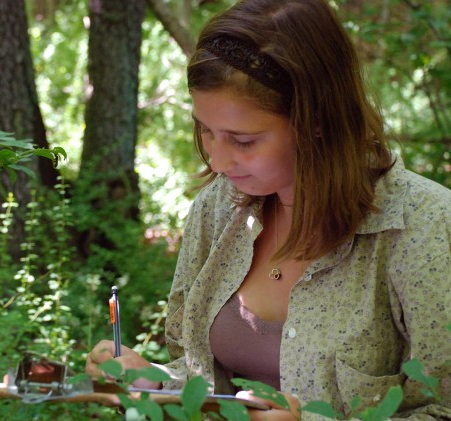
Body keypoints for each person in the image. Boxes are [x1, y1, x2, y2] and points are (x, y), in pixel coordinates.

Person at [86, 0, 451, 419]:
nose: (218, 162)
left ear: (317, 120)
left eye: (243, 141)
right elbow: (203, 382)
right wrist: (152, 382)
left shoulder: (423, 226)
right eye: (206, 130)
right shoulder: (218, 208)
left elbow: (442, 407)